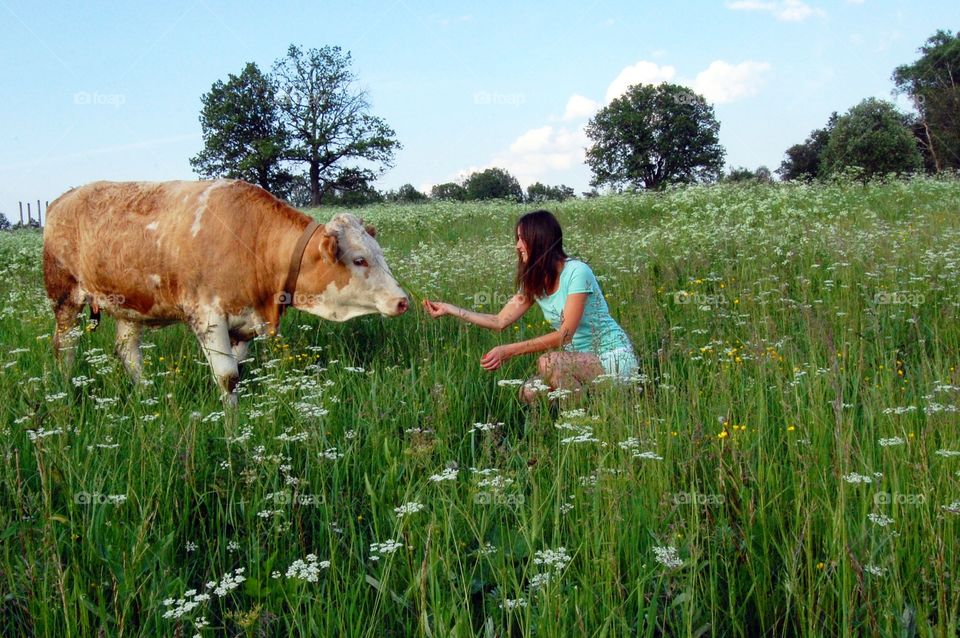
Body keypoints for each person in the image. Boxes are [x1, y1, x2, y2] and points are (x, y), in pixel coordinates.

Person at [422, 209, 638, 402]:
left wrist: (509, 350)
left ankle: (583, 420)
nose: (517, 245)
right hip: (574, 362)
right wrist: (450, 309)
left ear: (539, 239)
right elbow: (499, 321)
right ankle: (583, 413)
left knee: (549, 361)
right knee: (529, 392)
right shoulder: (535, 281)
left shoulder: (577, 272)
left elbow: (565, 336)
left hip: (613, 359)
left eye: (521, 238)